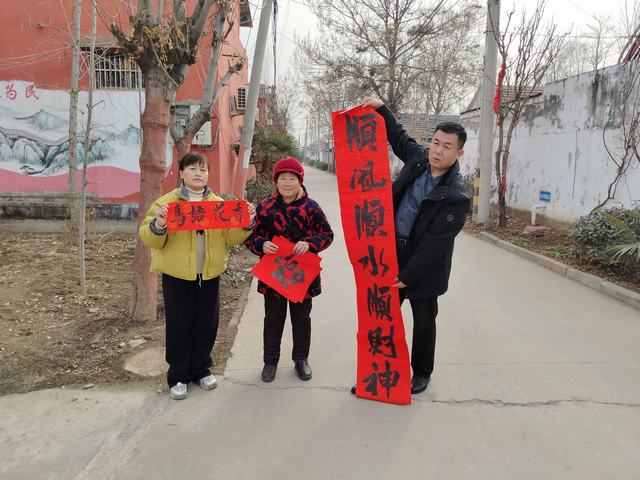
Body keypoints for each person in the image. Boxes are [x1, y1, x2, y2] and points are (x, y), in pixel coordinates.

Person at [356, 97, 471, 395]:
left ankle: (421, 373)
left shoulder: (456, 197)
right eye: (435, 142)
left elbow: (434, 245)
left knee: (423, 322)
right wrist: (381, 108)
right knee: (381, 319)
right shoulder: (418, 160)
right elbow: (398, 137)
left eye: (447, 146)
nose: (437, 150)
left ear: (459, 152)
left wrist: (408, 275)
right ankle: (374, 372)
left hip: (424, 268)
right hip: (391, 252)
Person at [139, 152, 256, 400]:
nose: (198, 173)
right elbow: (148, 237)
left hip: (209, 274)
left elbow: (231, 237)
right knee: (179, 325)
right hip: (177, 276)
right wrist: (159, 225)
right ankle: (178, 376)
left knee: (206, 324)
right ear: (181, 173)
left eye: (203, 169)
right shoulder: (166, 204)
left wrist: (246, 224)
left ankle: (201, 369)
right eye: (192, 168)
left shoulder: (218, 204)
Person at [245, 157, 334, 383]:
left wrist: (310, 244)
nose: (287, 183)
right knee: (273, 320)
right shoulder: (265, 208)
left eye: (292, 178)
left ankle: (301, 359)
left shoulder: (311, 208)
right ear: (276, 181)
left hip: (302, 277)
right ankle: (270, 361)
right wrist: (261, 245)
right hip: (274, 276)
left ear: (300, 181)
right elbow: (250, 237)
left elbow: (327, 234)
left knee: (301, 319)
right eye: (282, 178)